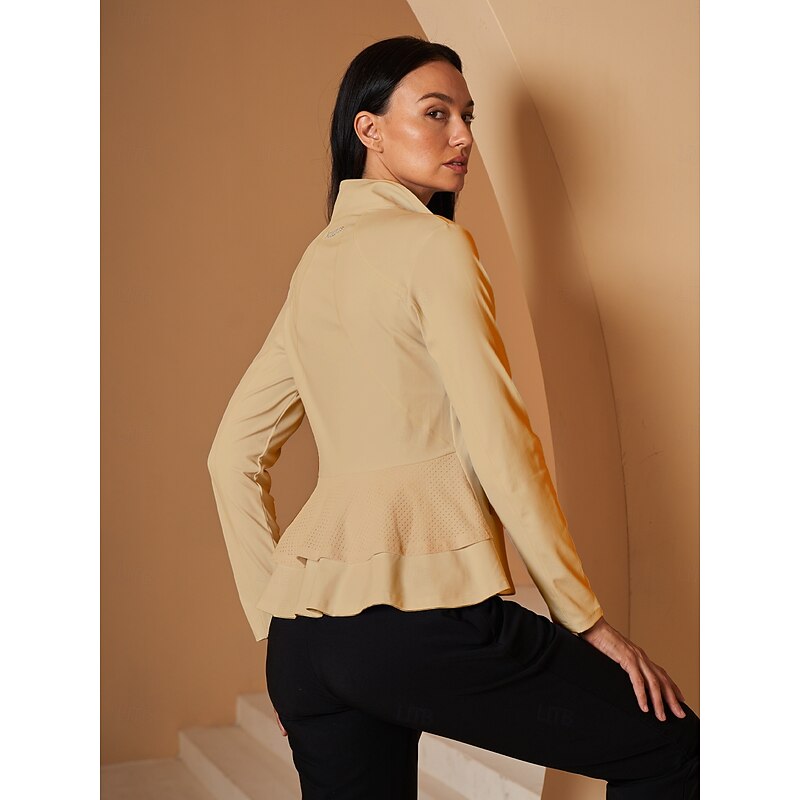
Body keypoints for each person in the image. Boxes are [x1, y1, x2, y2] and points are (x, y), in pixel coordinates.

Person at [206, 35, 699, 799]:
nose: (463, 136)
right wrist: (584, 620)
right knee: (674, 750)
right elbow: (501, 443)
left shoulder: (317, 265)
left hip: (303, 642)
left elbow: (230, 456)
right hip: (417, 619)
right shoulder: (434, 247)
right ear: (369, 129)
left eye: (468, 116)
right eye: (436, 113)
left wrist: (275, 625)